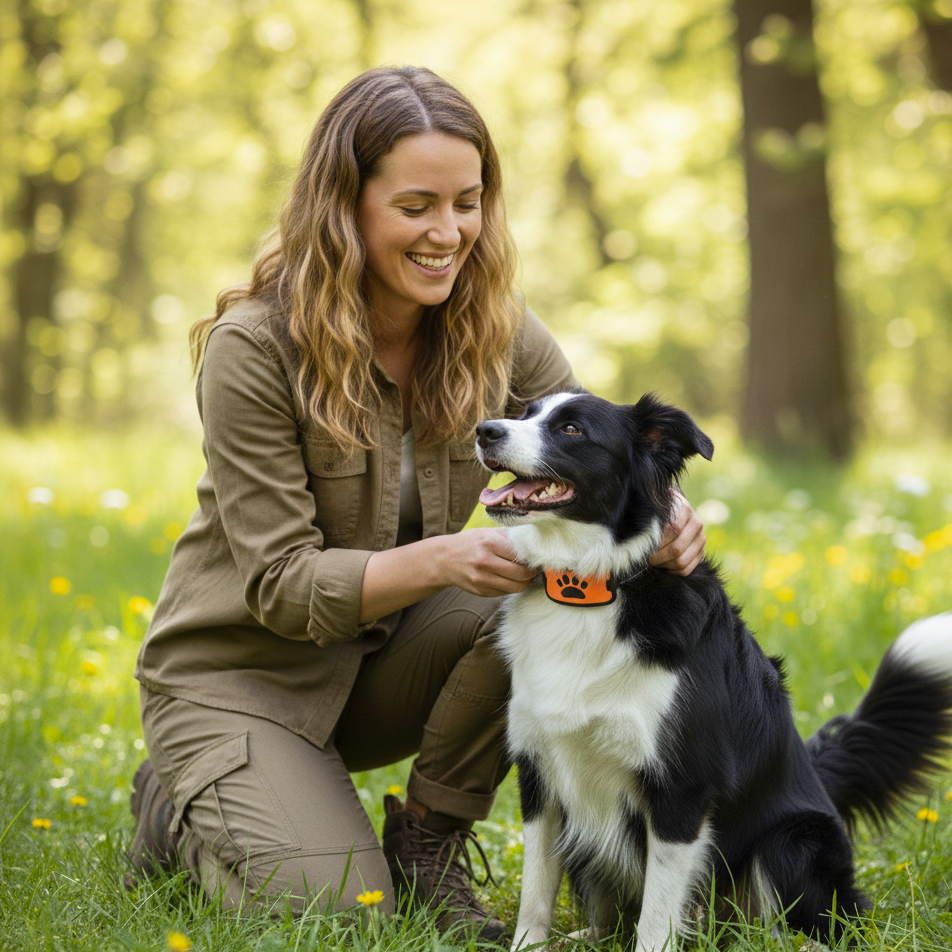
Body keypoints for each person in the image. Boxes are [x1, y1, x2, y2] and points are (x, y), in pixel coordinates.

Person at [127, 65, 706, 938]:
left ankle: (430, 836)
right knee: (339, 915)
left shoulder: (494, 324)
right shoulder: (252, 349)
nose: (449, 232)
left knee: (539, 592)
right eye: (416, 207)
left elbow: (602, 467)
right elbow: (282, 585)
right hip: (240, 679)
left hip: (379, 662)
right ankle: (179, 807)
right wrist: (441, 558)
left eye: (467, 202)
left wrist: (667, 521)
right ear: (344, 205)